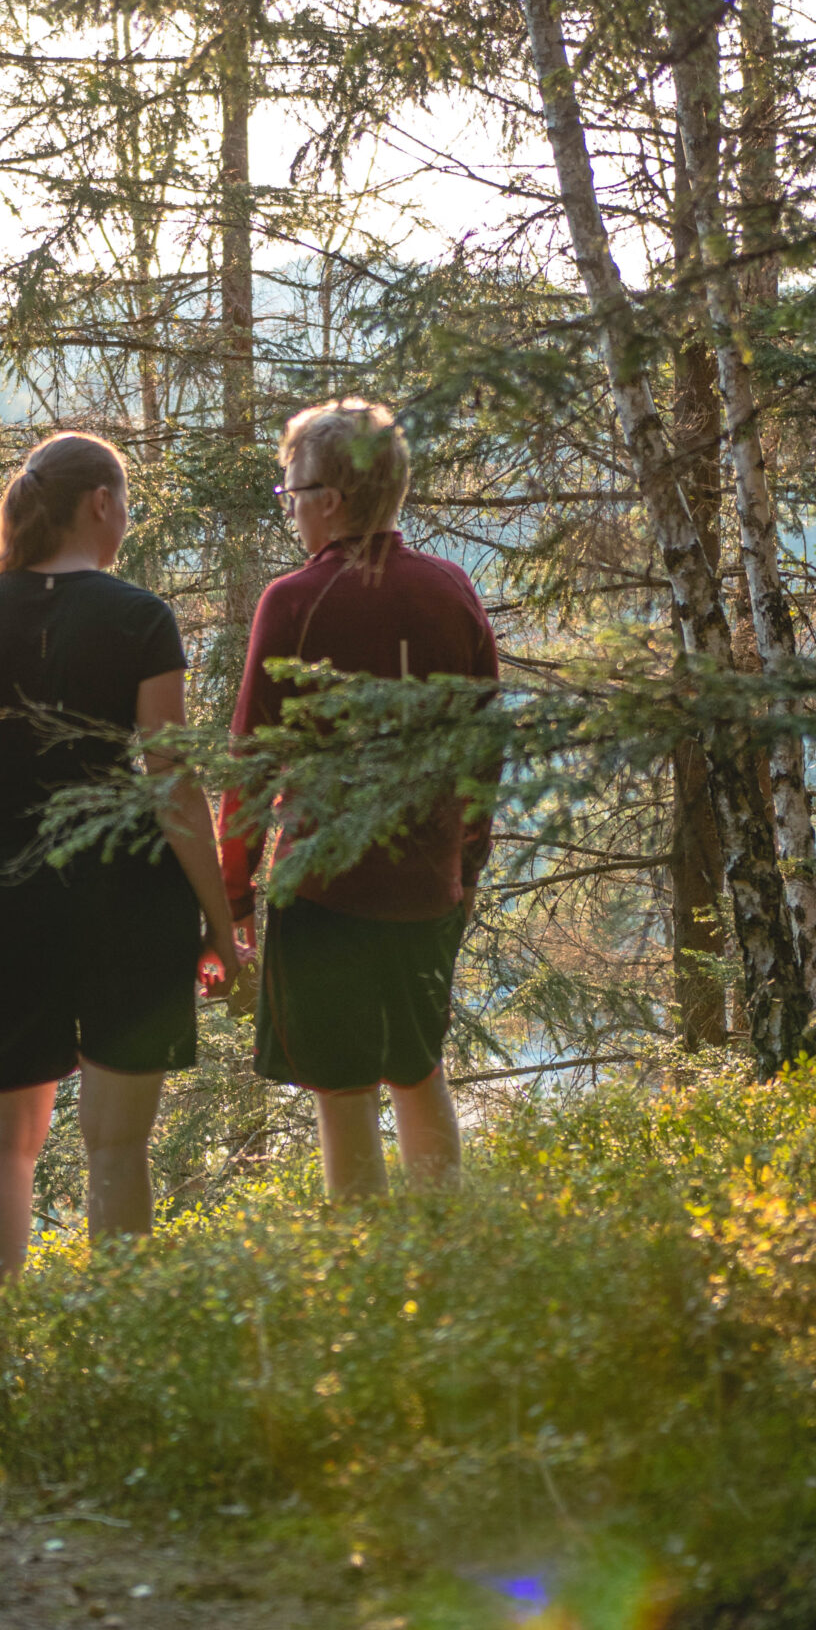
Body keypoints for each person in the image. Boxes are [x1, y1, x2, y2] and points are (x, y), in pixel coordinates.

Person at [0, 431, 242, 1286]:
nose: (124, 519)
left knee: (3, 1147)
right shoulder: (140, 618)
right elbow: (173, 788)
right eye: (124, 502)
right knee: (118, 1149)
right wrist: (218, 923)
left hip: (5, 899)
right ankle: (117, 1343)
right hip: (129, 904)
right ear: (100, 502)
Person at [218, 398, 499, 1199]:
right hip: (429, 883)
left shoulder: (296, 602)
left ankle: (364, 1269)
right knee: (417, 1069)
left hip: (326, 889)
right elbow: (482, 748)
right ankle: (441, 1245)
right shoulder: (451, 590)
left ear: (330, 500)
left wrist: (233, 889)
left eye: (292, 492)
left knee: (341, 1090)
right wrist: (464, 866)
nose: (290, 508)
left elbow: (251, 762)